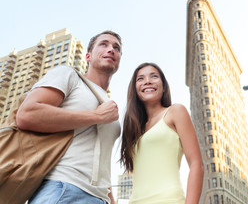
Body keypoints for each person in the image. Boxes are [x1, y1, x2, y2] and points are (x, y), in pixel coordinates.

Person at [16, 30, 122, 204]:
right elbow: (27, 114)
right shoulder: (69, 75)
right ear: (88, 56)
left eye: (116, 47)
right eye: (104, 44)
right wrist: (96, 116)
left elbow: (100, 159)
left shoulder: (109, 106)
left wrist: (111, 199)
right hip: (63, 188)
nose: (111, 49)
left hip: (100, 198)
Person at [120, 62, 204, 204]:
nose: (147, 81)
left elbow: (197, 164)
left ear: (164, 87)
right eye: (140, 79)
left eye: (154, 76)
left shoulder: (175, 112)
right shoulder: (133, 130)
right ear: (134, 89)